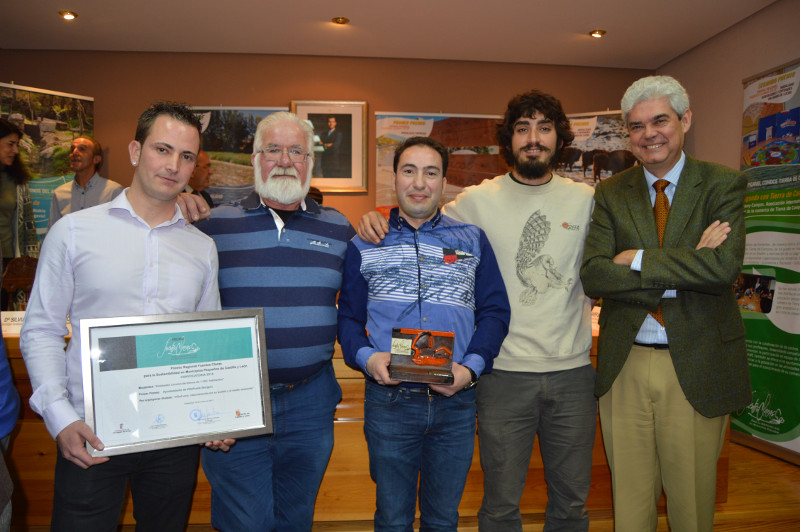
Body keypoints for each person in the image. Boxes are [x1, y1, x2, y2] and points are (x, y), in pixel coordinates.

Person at [358, 90, 597, 531]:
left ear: (558, 138)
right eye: (523, 128)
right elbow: (419, 213)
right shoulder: (473, 202)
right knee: (500, 502)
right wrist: (377, 217)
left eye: (544, 128)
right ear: (509, 140)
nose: (533, 138)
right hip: (501, 373)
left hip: (572, 372)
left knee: (572, 502)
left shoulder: (586, 200)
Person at [20, 101, 232, 531]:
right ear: (136, 152)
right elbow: (40, 330)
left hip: (173, 436)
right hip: (90, 432)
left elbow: (206, 341)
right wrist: (61, 419)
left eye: (186, 156)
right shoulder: (74, 232)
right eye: (163, 149)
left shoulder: (201, 248)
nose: (173, 165)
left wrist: (218, 412)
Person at [579, 75, 751, 532]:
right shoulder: (613, 192)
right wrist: (689, 263)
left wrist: (635, 259)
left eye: (660, 120)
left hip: (697, 361)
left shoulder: (722, 185)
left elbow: (722, 270)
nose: (649, 133)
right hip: (625, 363)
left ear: (685, 120)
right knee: (630, 507)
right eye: (637, 126)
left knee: (691, 507)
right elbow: (594, 274)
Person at [338, 137, 510, 531]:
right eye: (409, 170)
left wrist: (472, 368)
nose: (419, 182)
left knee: (442, 520)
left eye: (430, 172)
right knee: (393, 520)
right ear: (394, 179)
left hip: (456, 405)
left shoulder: (472, 239)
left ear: (444, 182)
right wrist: (367, 358)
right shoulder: (365, 242)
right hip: (390, 403)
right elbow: (347, 318)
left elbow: (496, 312)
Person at [197, 111, 355, 531]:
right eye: (273, 149)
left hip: (310, 401)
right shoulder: (212, 226)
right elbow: (189, 315)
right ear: (255, 158)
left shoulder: (339, 228)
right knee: (245, 522)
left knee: (295, 518)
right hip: (235, 399)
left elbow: (357, 304)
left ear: (310, 162)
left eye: (296, 151)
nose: (285, 160)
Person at [48, 136, 123, 227]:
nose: (74, 153)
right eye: (72, 149)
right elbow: (53, 233)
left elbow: (120, 230)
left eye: (82, 149)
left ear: (96, 159)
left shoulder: (113, 191)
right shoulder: (59, 194)